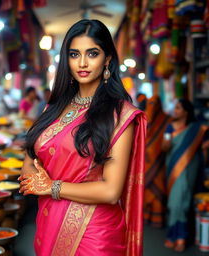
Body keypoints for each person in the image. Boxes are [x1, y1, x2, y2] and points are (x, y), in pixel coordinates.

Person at [19, 19, 146, 256]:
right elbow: (31, 156)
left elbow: (111, 191)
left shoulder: (120, 115)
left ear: (107, 58)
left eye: (93, 53)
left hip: (94, 235)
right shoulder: (54, 108)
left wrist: (51, 186)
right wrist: (33, 178)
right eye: (74, 54)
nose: (83, 63)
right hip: (49, 224)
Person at [162, 99, 208, 252]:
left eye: (178, 108)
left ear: (186, 111)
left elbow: (203, 147)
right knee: (175, 203)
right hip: (174, 169)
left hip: (189, 169)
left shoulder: (196, 128)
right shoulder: (170, 127)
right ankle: (174, 236)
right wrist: (166, 143)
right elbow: (164, 146)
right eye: (175, 107)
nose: (175, 110)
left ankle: (179, 237)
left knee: (183, 202)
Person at [144, 95, 170, 228]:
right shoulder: (144, 118)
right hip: (146, 162)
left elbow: (168, 137)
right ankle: (147, 217)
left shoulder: (167, 119)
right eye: (150, 103)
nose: (152, 106)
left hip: (160, 161)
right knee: (147, 188)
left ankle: (158, 219)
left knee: (158, 187)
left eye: (155, 103)